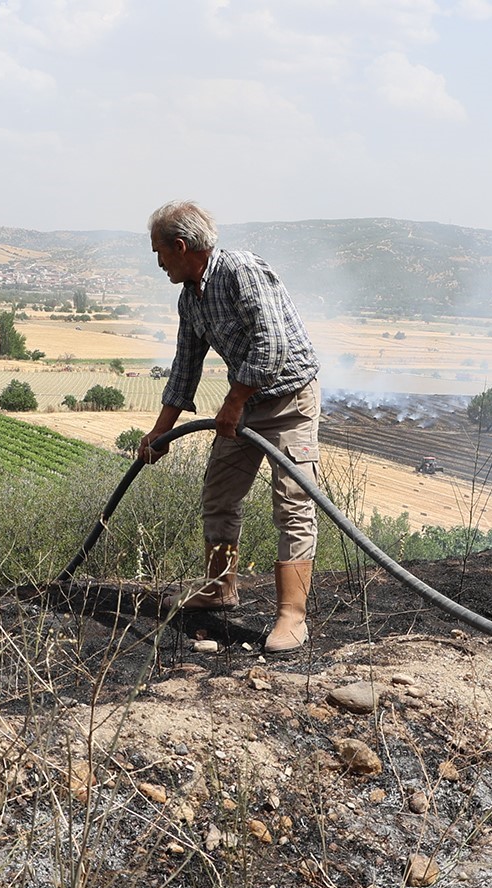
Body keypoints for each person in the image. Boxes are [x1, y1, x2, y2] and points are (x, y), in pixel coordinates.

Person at [138, 200, 322, 652]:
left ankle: (292, 617)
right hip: (244, 404)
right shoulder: (191, 297)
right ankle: (220, 588)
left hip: (289, 401)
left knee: (293, 503)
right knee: (219, 495)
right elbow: (184, 367)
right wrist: (159, 434)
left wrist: (234, 402)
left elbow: (272, 345)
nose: (159, 263)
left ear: (180, 247)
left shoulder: (240, 272)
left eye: (159, 252)